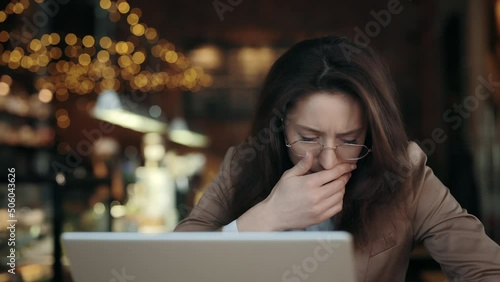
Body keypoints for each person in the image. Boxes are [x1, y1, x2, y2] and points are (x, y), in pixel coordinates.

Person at [174, 36, 500, 281]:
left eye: (349, 140)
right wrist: (268, 216)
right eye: (308, 137)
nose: (329, 162)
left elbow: (487, 270)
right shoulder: (243, 164)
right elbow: (172, 269)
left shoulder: (404, 170)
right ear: (279, 127)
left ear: (370, 133)